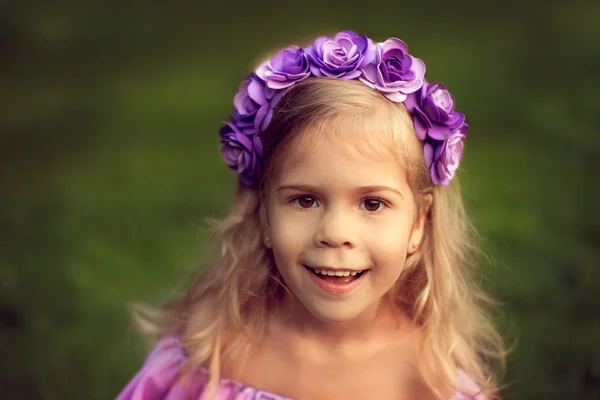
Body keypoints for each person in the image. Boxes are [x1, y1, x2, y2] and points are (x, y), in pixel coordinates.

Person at [116, 30, 506, 400]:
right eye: (305, 200)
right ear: (264, 215)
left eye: (372, 203)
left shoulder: (428, 381)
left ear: (418, 223)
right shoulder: (209, 352)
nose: (335, 233)